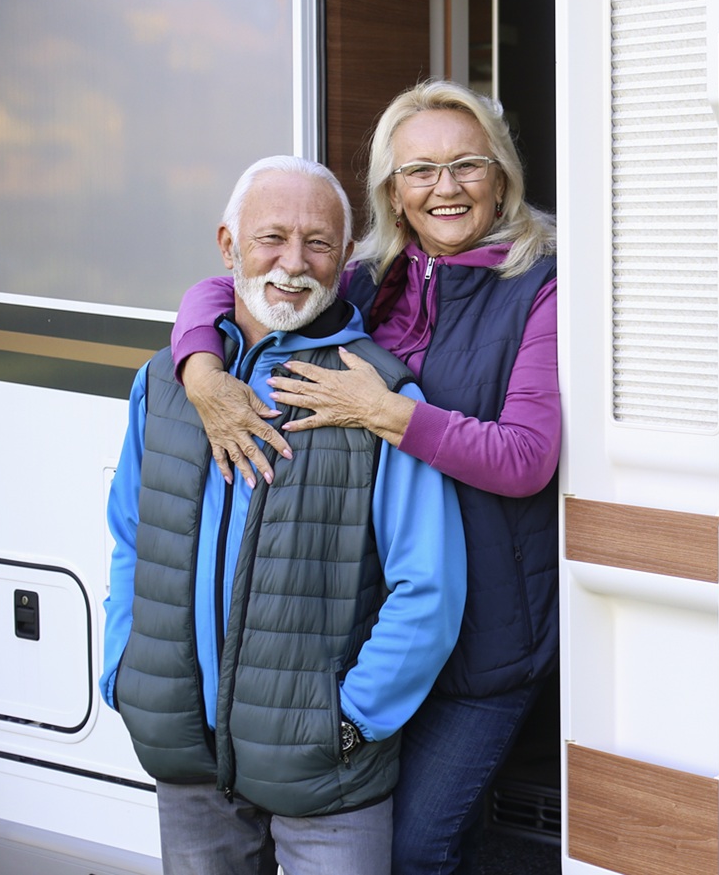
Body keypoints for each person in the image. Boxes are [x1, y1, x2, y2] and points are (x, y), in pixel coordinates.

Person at [167, 80, 560, 874]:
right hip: (370, 630)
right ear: (393, 190)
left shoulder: (542, 284)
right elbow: (235, 282)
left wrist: (386, 412)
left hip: (484, 632)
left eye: (467, 165)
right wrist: (200, 368)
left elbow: (526, 457)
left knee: (419, 846)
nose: (444, 188)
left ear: (502, 175)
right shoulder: (367, 277)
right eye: (420, 171)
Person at [100, 155, 468, 874]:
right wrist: (124, 669)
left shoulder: (381, 394)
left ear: (344, 257)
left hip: (325, 776)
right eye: (271, 238)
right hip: (185, 751)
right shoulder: (166, 385)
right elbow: (129, 537)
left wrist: (351, 723)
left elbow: (430, 589)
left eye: (319, 243)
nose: (293, 263)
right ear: (228, 246)